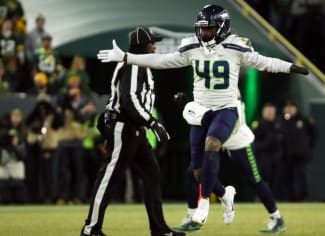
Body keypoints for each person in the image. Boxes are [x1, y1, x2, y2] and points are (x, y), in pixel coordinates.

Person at [97, 4, 309, 226]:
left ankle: (207, 203)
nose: (203, 33)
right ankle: (224, 195)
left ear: (222, 28)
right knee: (196, 170)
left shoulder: (235, 47)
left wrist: (291, 67)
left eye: (209, 29)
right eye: (202, 28)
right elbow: (161, 61)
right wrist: (126, 57)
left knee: (221, 150)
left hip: (228, 112)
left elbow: (265, 62)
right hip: (201, 112)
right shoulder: (192, 47)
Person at [80, 26, 184, 236]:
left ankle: (159, 229)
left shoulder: (139, 64)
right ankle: (91, 229)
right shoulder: (134, 64)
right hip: (124, 127)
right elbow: (129, 99)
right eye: (152, 43)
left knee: (152, 174)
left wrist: (146, 124)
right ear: (143, 46)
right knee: (109, 178)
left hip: (135, 129)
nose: (155, 47)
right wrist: (152, 122)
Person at [173, 92, 287, 233]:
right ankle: (193, 216)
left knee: (254, 180)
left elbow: (219, 116)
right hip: (216, 141)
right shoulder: (208, 90)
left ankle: (277, 218)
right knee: (194, 172)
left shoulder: (229, 93)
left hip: (238, 141)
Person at [280, 101, 316, 201]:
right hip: (286, 156)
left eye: (291, 107)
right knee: (287, 178)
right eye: (287, 107)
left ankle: (302, 198)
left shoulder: (304, 120)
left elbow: (314, 135)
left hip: (300, 155)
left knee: (301, 177)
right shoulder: (281, 121)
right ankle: (289, 198)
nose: (289, 110)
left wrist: (307, 147)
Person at [253, 103, 284, 199]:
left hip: (277, 157)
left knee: (277, 180)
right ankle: (261, 198)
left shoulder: (279, 124)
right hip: (263, 157)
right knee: (262, 178)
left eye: (272, 112)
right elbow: (254, 143)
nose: (270, 114)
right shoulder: (258, 124)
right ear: (263, 112)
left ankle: (275, 199)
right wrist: (268, 142)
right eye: (268, 111)